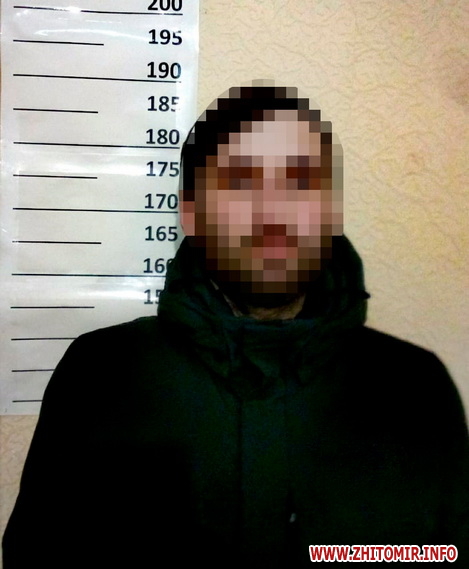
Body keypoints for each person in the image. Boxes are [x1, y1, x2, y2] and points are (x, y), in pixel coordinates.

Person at [3, 85, 469, 567]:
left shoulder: (417, 388)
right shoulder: (101, 375)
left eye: (300, 181)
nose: (274, 212)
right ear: (191, 214)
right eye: (242, 182)